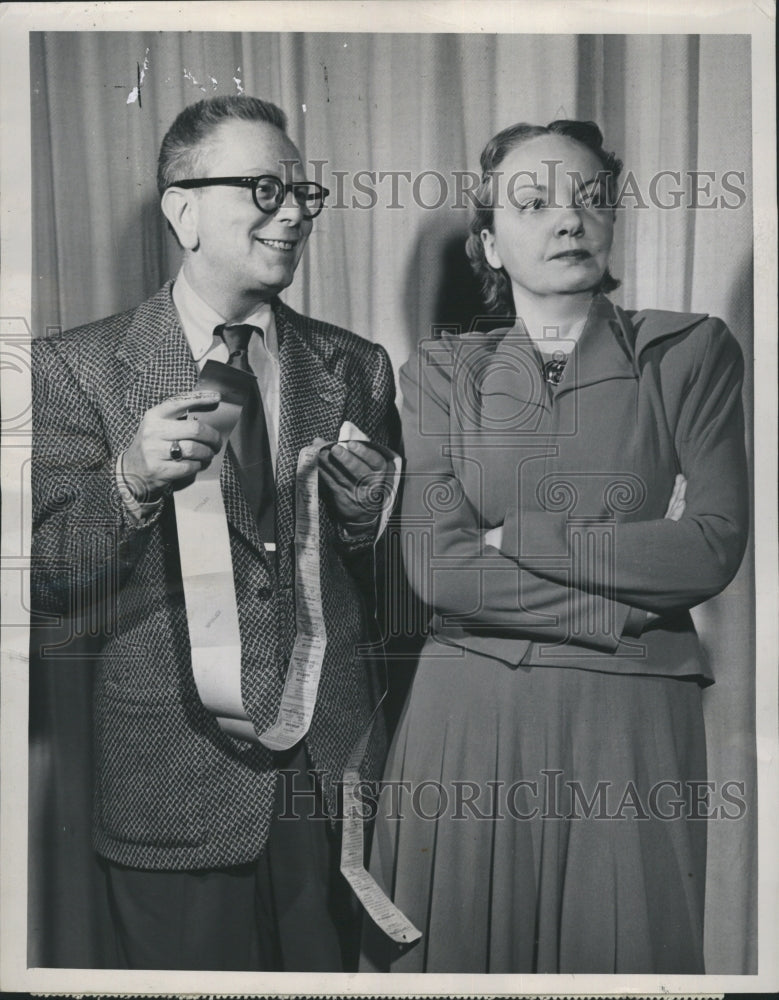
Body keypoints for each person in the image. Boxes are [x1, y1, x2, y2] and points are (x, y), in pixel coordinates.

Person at [361, 120, 749, 973]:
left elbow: (711, 550)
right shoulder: (437, 369)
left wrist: (516, 535)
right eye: (533, 205)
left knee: (619, 958)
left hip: (629, 725)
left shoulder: (688, 351)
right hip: (467, 716)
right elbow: (437, 567)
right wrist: (625, 602)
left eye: (589, 198)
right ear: (490, 245)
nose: (568, 220)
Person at [31, 94, 399, 971]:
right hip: (172, 781)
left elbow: (381, 587)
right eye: (264, 188)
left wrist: (368, 516)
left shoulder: (356, 365)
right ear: (182, 209)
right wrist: (128, 482)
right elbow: (46, 572)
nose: (292, 214)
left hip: (327, 779)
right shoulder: (73, 367)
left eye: (302, 193)